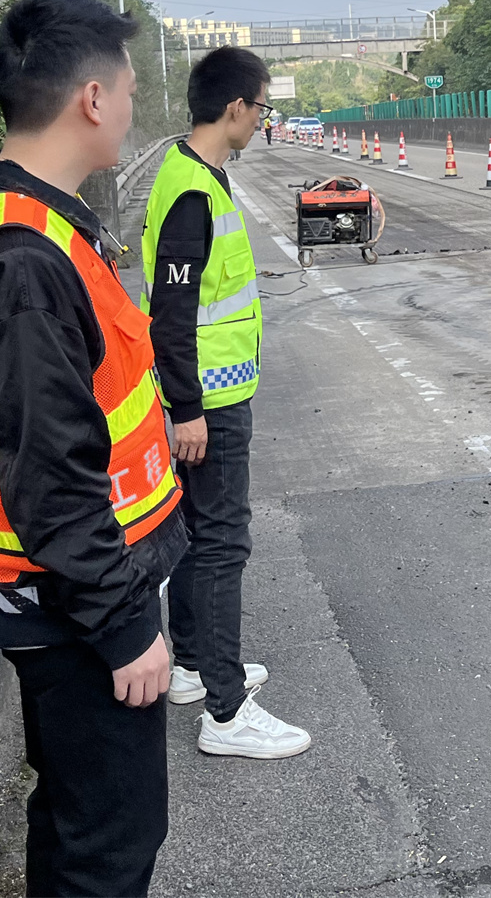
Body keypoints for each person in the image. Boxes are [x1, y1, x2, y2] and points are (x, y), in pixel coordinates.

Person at [0, 0, 187, 898]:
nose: (131, 107)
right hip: (72, 602)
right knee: (112, 840)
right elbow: (50, 475)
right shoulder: (28, 261)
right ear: (90, 98)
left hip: (65, 590)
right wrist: (124, 628)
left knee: (76, 816)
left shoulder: (26, 219)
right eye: (125, 87)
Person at [142, 46, 312, 758]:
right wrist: (187, 410)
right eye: (262, 107)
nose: (262, 120)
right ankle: (226, 711)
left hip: (209, 395)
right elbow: (171, 314)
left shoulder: (197, 175)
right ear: (237, 107)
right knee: (221, 543)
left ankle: (191, 667)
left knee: (195, 539)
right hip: (207, 403)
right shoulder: (191, 189)